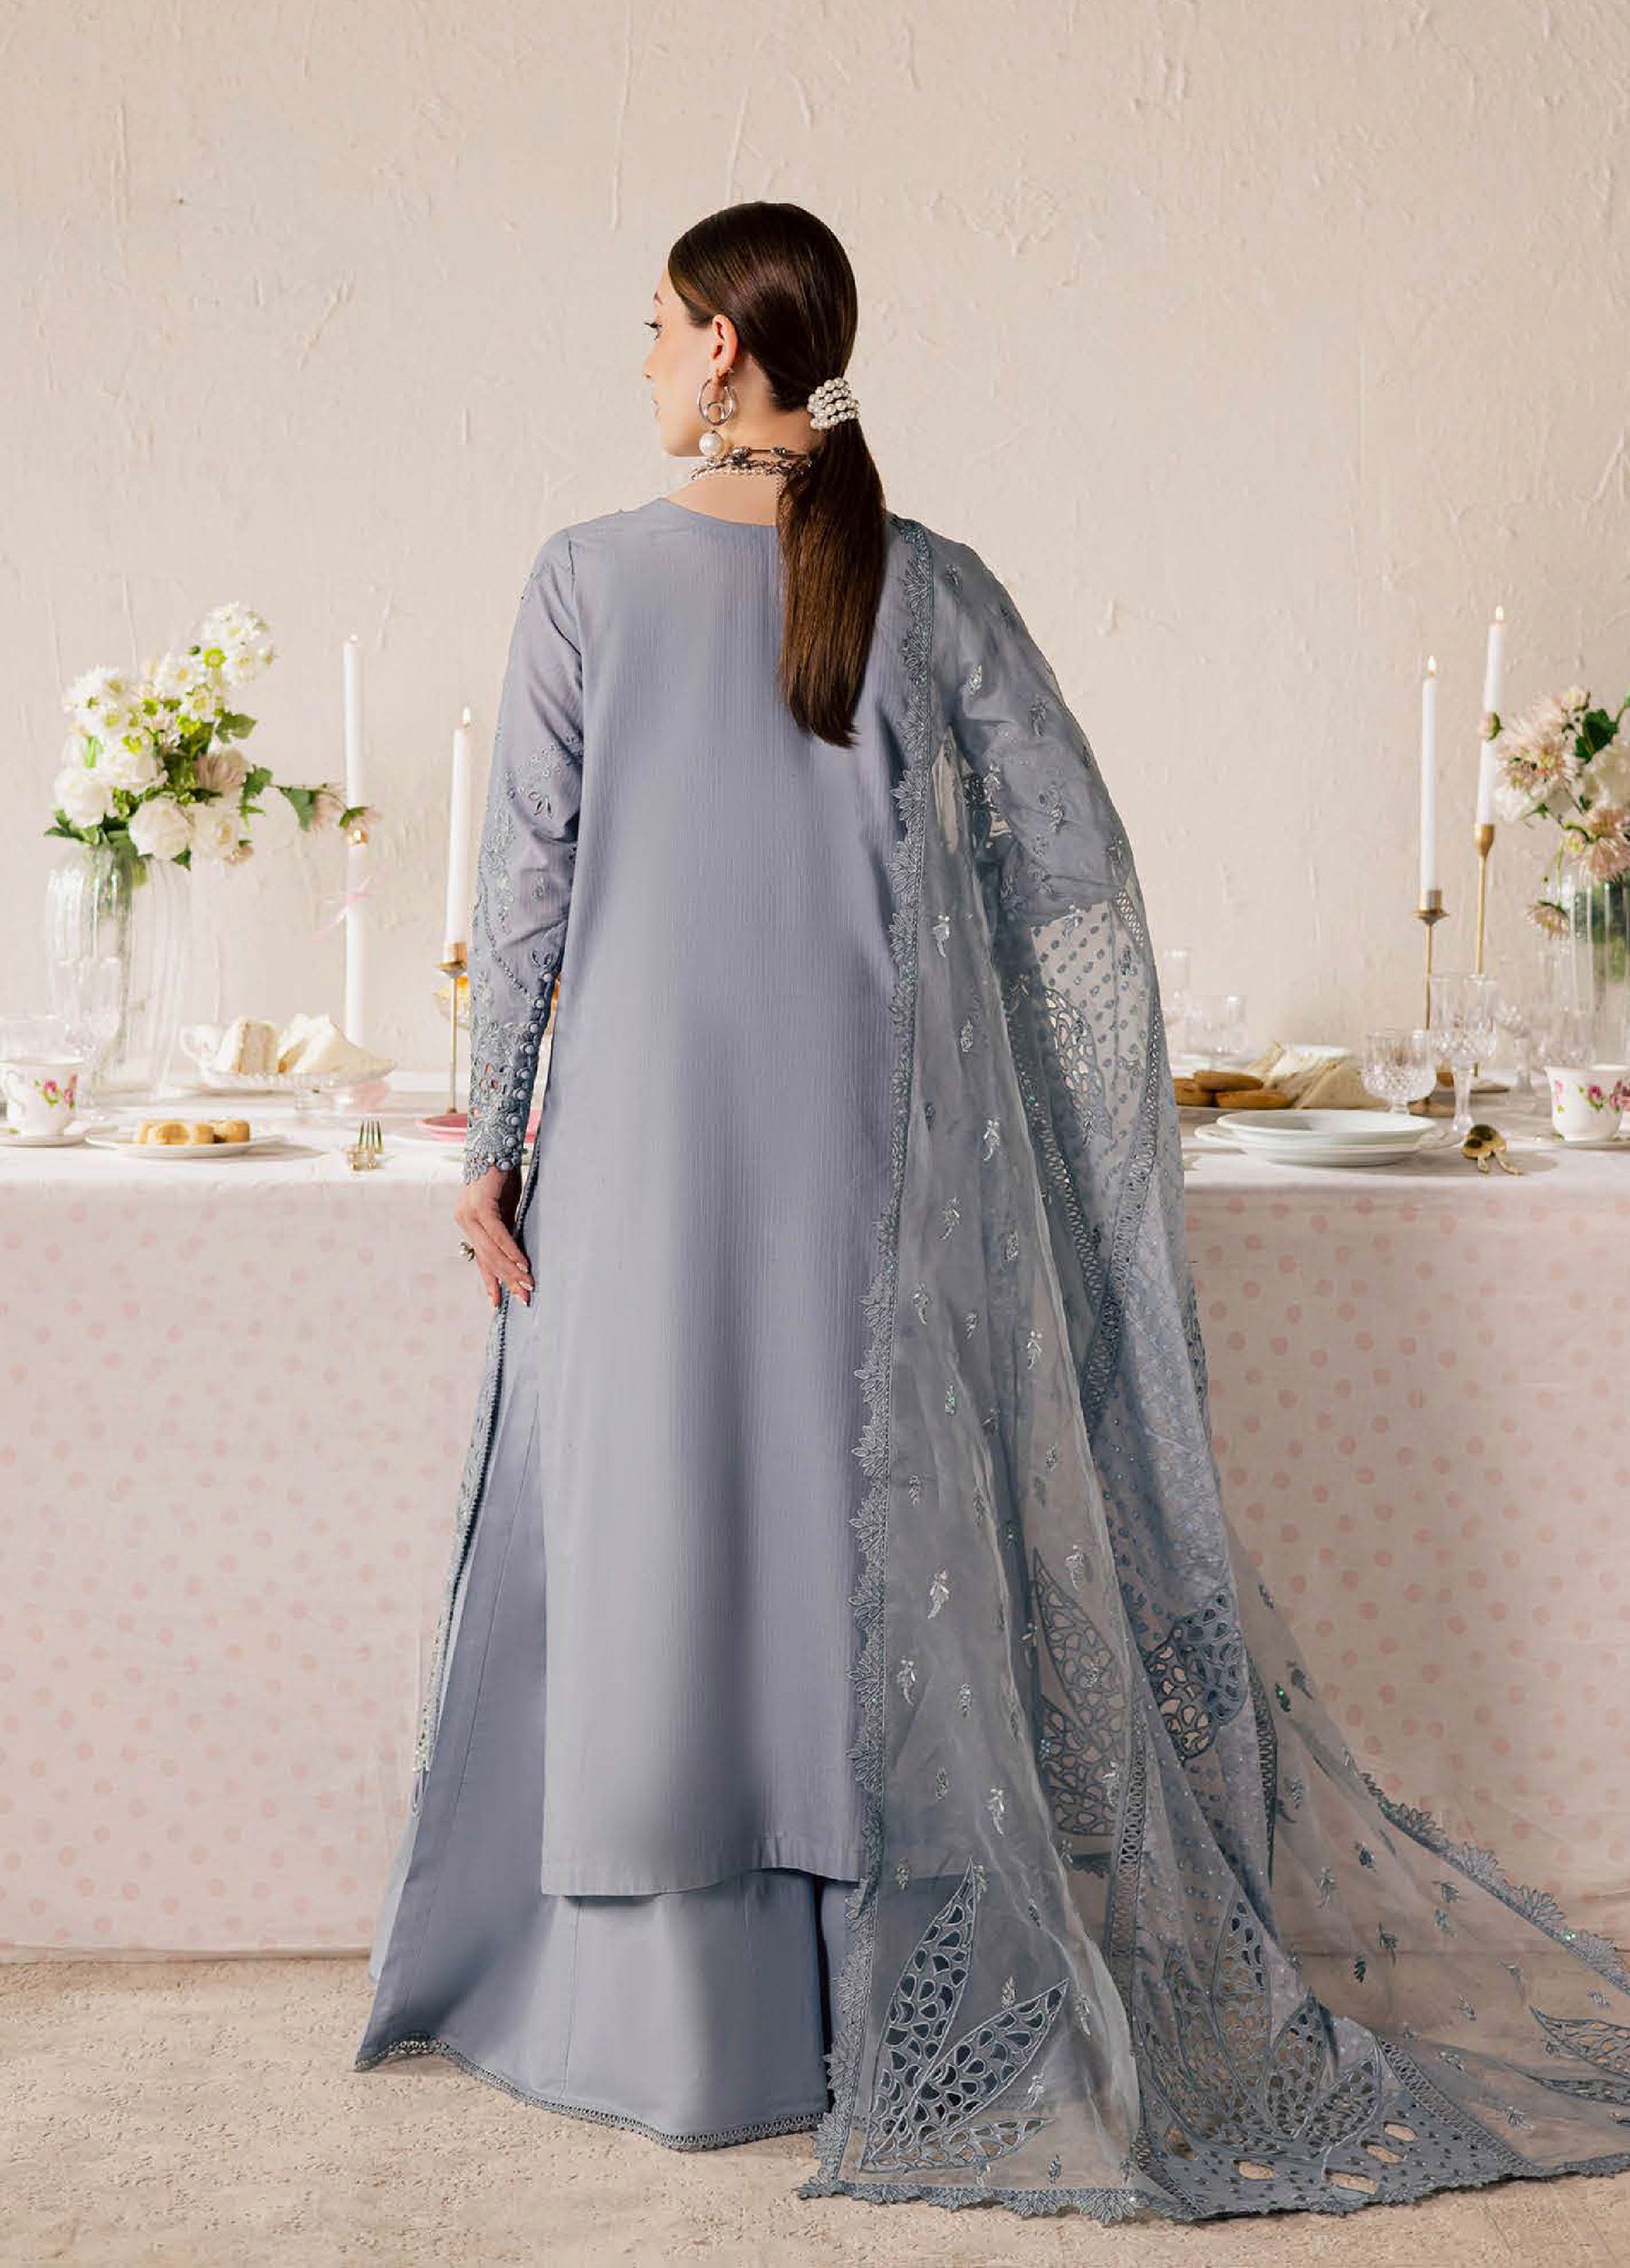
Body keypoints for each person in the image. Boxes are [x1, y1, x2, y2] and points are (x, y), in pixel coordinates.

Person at [355, 202, 1630, 2225]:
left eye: (658, 323)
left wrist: (491, 1144)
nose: (648, 355)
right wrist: (1019, 1107)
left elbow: (528, 895)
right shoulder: (925, 583)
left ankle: (659, 2019)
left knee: (654, 1528)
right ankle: (884, 1996)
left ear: (720, 346)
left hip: (645, 1152)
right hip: (869, 1165)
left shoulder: (586, 579)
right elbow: (1077, 873)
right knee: (846, 1539)